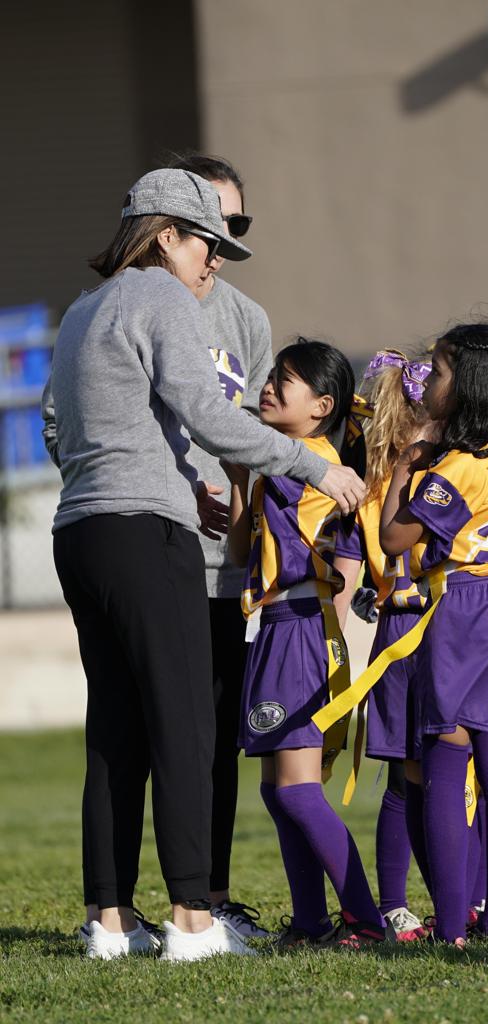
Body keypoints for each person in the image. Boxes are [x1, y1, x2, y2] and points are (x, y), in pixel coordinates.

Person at [45, 169, 365, 961]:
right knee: (186, 726)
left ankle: (109, 921)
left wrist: (179, 486)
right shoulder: (161, 296)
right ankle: (193, 920)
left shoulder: (82, 309)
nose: (214, 261)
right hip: (144, 538)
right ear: (165, 237)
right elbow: (210, 415)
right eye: (206, 243)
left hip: (81, 533)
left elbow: (76, 430)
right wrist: (315, 467)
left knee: (115, 729)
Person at [377, 323, 488, 946]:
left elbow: (394, 537)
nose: (429, 381)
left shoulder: (458, 463)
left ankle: (451, 927)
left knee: (444, 760)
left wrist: (405, 465)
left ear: (469, 385)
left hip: (467, 604)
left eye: (440, 371)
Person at [227, 338, 393, 949]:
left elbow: (345, 561)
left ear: (322, 406)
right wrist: (239, 478)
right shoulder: (279, 464)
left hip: (302, 628)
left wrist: (328, 639)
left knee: (298, 789)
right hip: (273, 628)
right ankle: (309, 922)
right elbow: (243, 554)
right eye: (272, 375)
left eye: (287, 380)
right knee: (278, 792)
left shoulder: (319, 468)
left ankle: (365, 920)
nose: (270, 386)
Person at [165, 152, 273, 938]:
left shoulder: (245, 318)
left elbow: (261, 434)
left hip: (223, 569)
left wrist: (247, 523)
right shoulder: (123, 307)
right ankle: (117, 906)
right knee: (143, 736)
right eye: (212, 223)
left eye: (237, 223)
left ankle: (210, 896)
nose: (224, 240)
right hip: (152, 552)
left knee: (214, 739)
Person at [333, 349, 432, 941]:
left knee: (412, 774)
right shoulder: (392, 489)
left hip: (417, 631)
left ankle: (413, 903)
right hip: (425, 632)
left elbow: (344, 586)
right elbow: (347, 578)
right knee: (431, 772)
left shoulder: (373, 491)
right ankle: (448, 901)